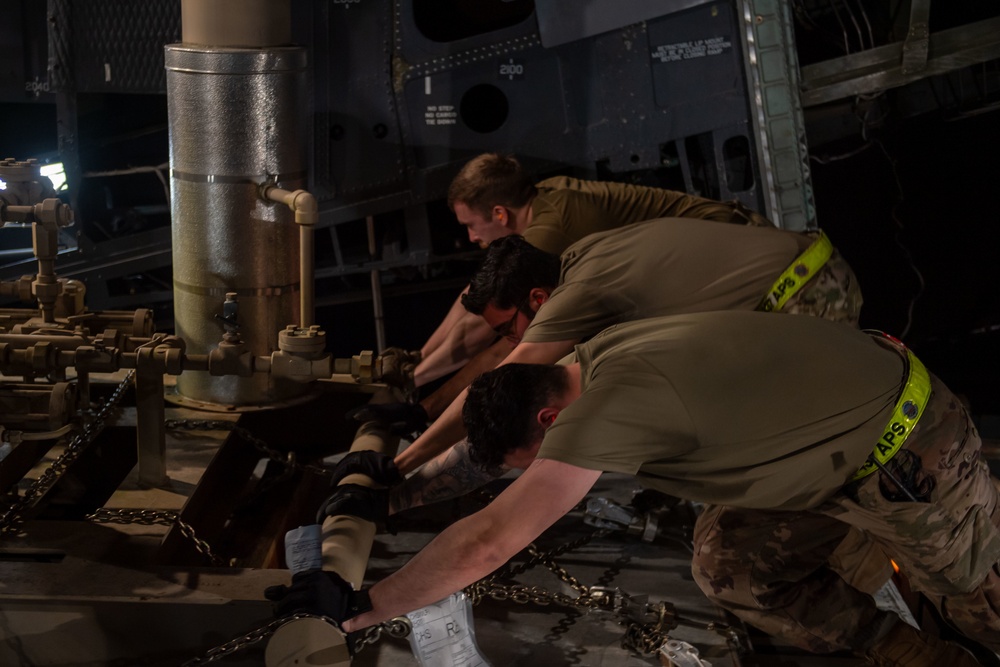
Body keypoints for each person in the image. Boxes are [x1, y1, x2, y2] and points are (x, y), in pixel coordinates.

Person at [269, 312, 997, 666]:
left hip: (910, 446)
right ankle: (922, 656)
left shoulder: (606, 410)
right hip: (821, 451)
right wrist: (387, 494)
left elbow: (491, 536)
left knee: (981, 595)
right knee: (728, 561)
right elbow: (486, 466)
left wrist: (366, 605)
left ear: (551, 420)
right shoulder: (588, 364)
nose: (537, 471)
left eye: (535, 458)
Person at [395, 217, 862, 474]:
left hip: (809, 295)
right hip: (810, 262)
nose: (510, 340)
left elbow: (503, 378)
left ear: (538, 298)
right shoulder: (579, 256)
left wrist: (406, 461)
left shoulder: (577, 294)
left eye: (507, 327)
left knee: (777, 447)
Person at [411, 152, 773, 392]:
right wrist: (419, 357)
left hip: (736, 250)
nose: (472, 237)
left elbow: (479, 328)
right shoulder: (538, 202)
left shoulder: (548, 233)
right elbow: (474, 296)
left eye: (471, 225)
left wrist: (413, 382)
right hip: (712, 255)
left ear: (500, 214)